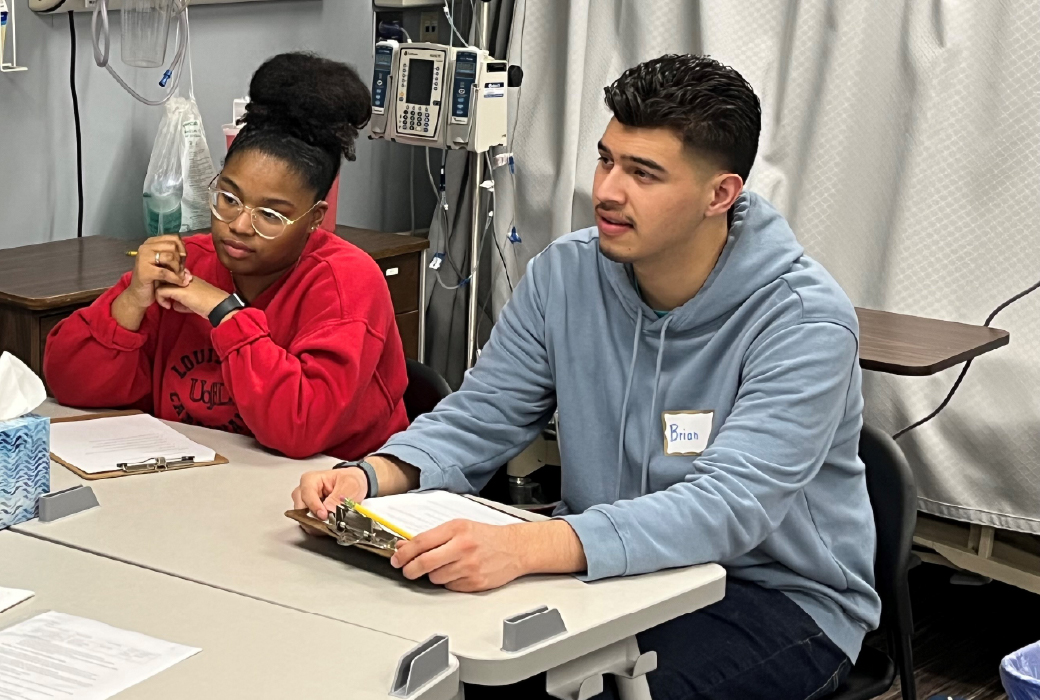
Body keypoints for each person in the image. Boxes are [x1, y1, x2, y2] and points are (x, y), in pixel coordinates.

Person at [292, 55, 878, 700]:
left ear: (720, 194)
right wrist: (372, 476)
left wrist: (523, 548)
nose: (607, 191)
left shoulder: (803, 322)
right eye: (607, 160)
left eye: (644, 174)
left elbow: (727, 508)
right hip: (605, 573)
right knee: (410, 671)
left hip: (770, 597)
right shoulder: (566, 274)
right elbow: (481, 416)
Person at [45, 52, 409, 461]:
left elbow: (299, 427)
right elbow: (69, 383)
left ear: (314, 219)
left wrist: (224, 312)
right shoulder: (189, 263)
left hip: (327, 496)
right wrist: (130, 305)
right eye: (229, 198)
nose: (238, 224)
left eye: (271, 215)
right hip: (198, 485)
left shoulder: (346, 282)